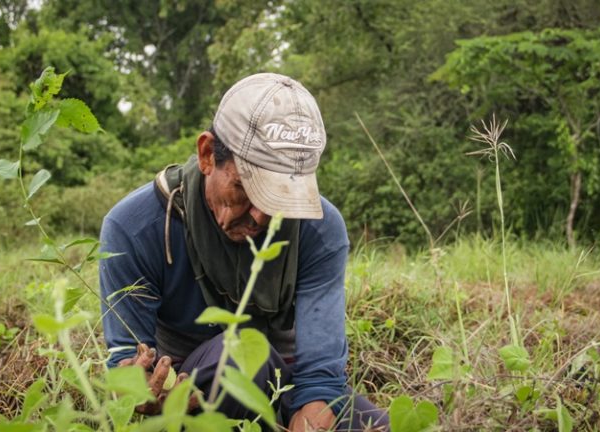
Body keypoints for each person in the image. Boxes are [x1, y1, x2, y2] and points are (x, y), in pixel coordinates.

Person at [99, 73, 389, 431]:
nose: (260, 216)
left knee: (374, 425)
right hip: (189, 392)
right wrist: (143, 390)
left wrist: (313, 412)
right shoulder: (135, 227)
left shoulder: (320, 230)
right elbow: (126, 365)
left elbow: (319, 371)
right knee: (237, 356)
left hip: (282, 381)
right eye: (246, 188)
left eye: (280, 197)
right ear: (207, 154)